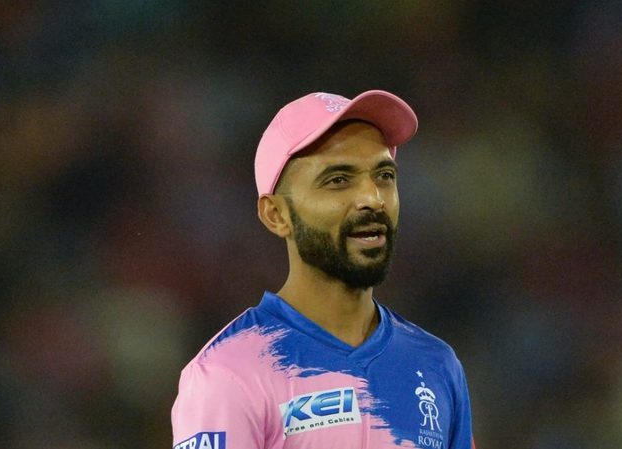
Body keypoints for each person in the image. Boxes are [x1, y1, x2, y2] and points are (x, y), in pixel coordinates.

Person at [171, 90, 475, 449]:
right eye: (338, 180)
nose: (373, 198)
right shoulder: (229, 372)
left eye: (384, 175)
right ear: (276, 214)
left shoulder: (436, 364)